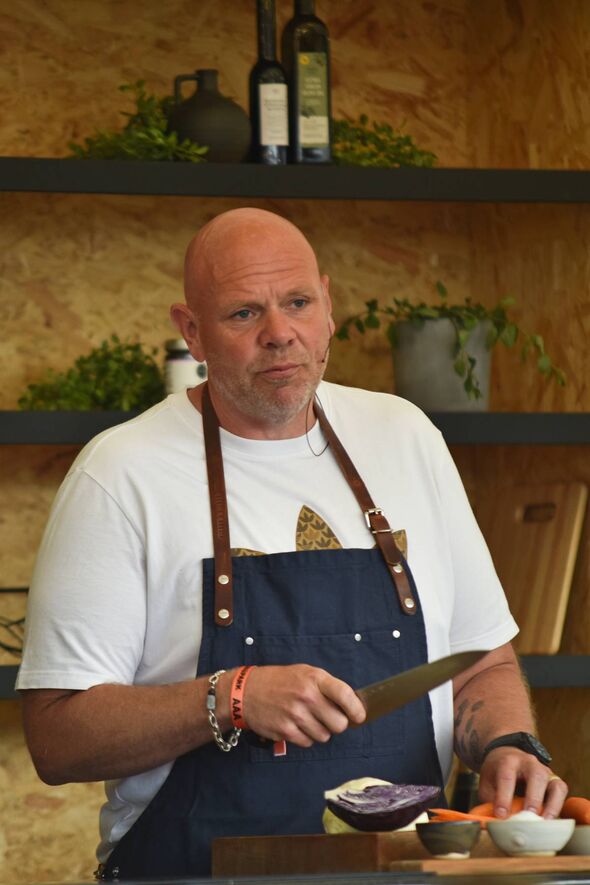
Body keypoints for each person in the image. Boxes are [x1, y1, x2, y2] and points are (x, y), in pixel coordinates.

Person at [18, 208, 567, 879]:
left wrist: (510, 746)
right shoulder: (120, 473)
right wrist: (231, 697)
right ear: (191, 332)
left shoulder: (404, 436)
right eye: (244, 314)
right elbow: (57, 735)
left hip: (393, 871)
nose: (280, 334)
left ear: (328, 306)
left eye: (298, 303)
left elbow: (481, 662)